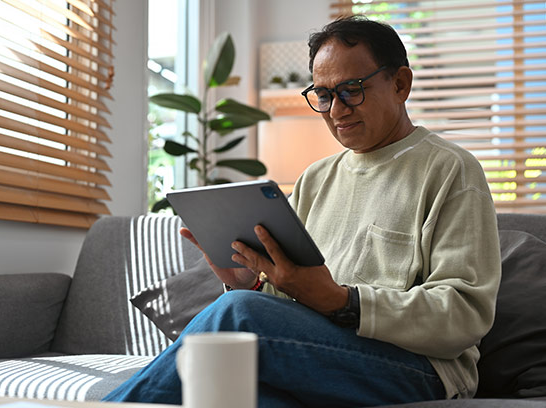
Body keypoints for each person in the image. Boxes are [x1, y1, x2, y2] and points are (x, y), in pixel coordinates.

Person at [104, 15, 501, 407]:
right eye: (324, 94)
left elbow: (464, 313)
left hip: (419, 369)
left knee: (238, 314)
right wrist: (249, 282)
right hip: (322, 355)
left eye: (352, 90)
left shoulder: (450, 169)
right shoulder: (315, 179)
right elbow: (291, 302)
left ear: (400, 84)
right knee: (226, 394)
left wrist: (343, 302)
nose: (336, 110)